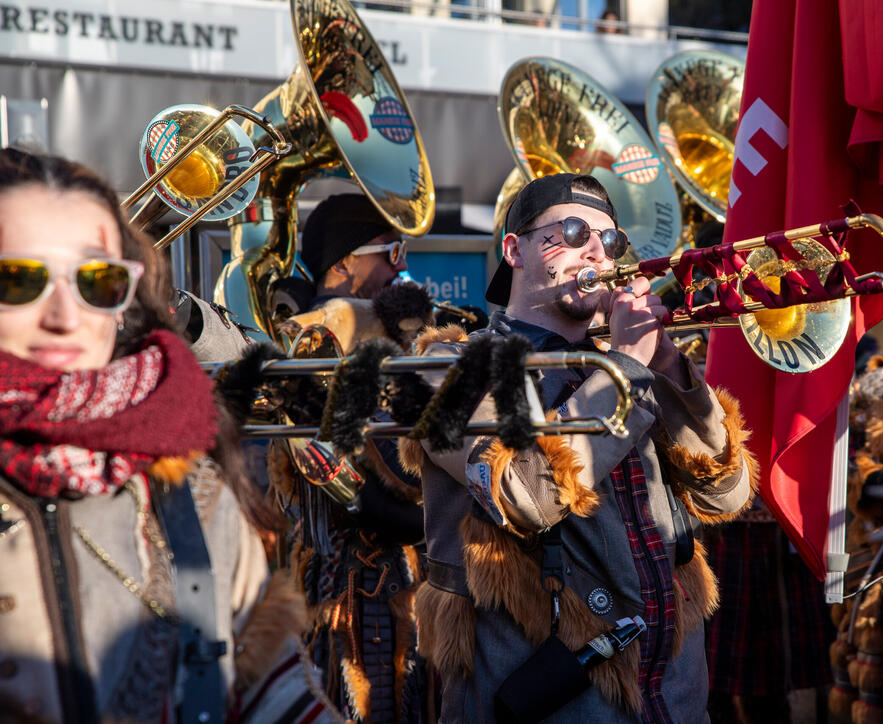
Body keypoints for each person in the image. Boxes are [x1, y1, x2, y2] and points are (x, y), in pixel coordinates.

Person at [400, 173, 755, 723]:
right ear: (514, 250)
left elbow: (726, 494)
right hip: (545, 696)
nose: (597, 251)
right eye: (571, 232)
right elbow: (526, 496)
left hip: (673, 698)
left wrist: (665, 362)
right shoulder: (446, 368)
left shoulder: (635, 363)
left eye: (611, 241)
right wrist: (626, 368)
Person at [0, 148, 308, 722]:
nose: (65, 316)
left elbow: (276, 697)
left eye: (97, 280)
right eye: (17, 279)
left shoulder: (195, 489)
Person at [269, 192, 432, 721]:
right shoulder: (318, 340)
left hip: (399, 584)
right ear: (343, 262)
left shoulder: (386, 332)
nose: (400, 269)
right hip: (353, 588)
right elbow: (371, 481)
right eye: (391, 251)